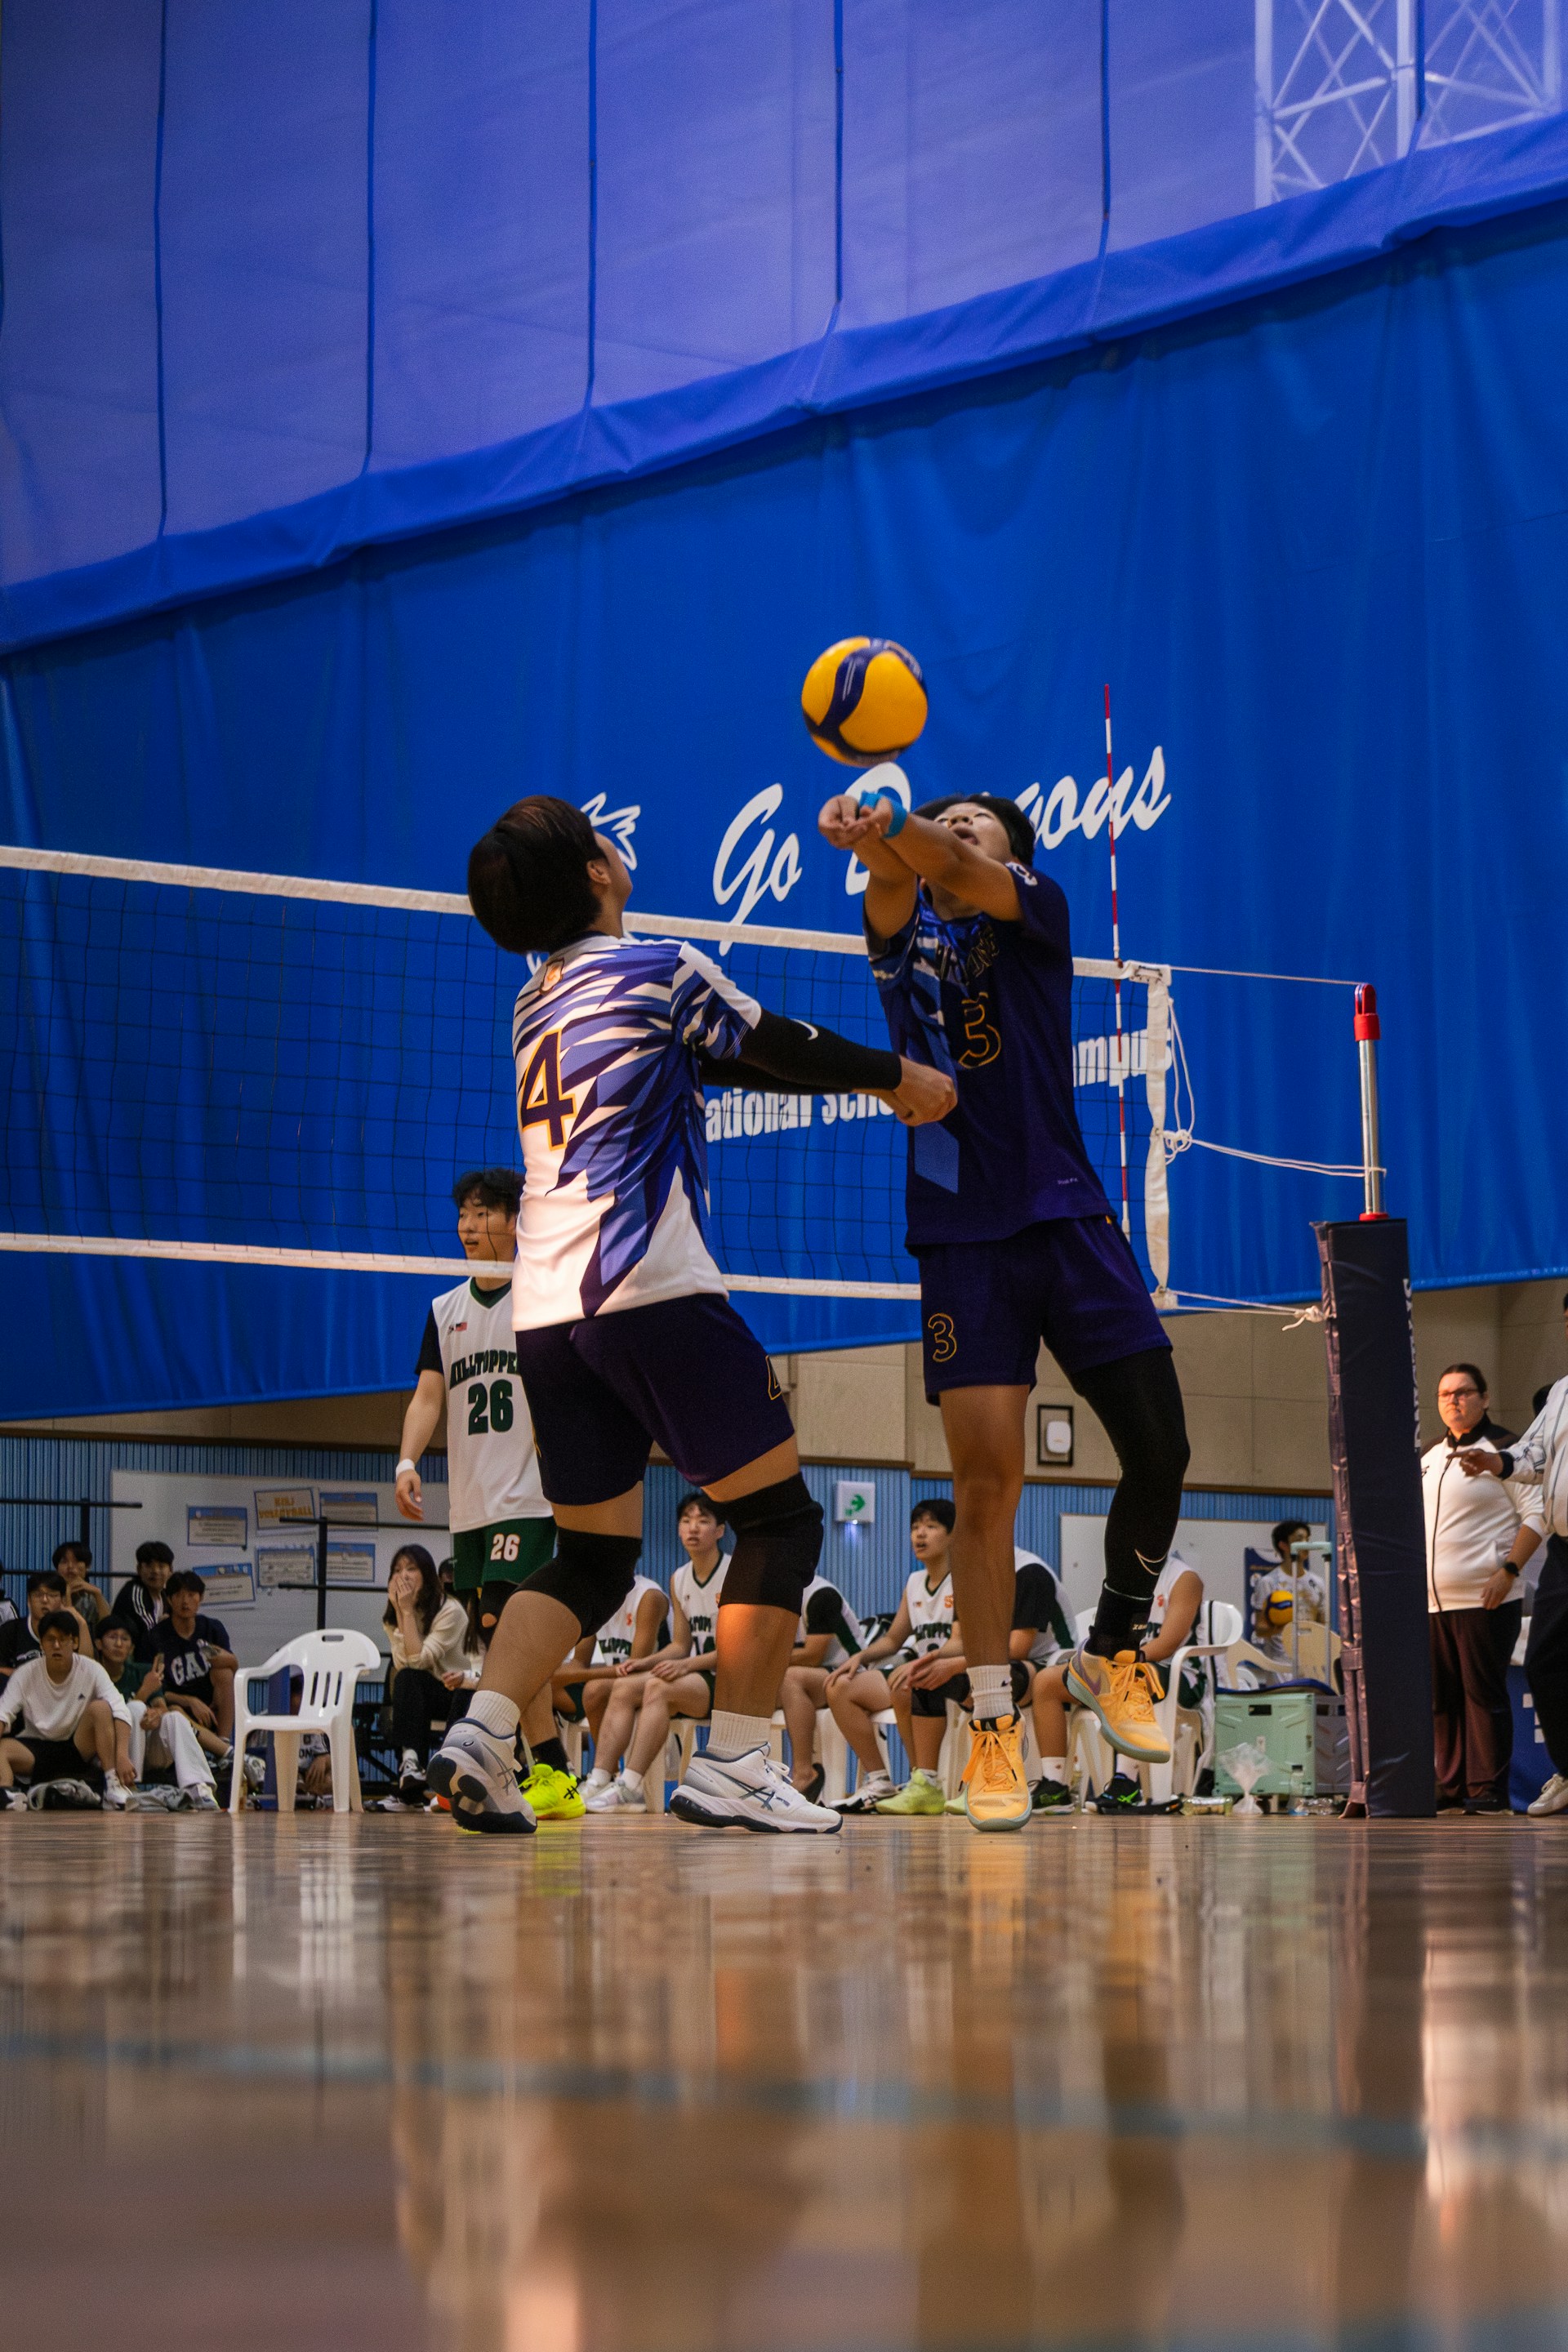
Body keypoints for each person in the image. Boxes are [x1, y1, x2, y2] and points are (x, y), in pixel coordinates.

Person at [428, 795, 952, 1835]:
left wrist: (851, 1085)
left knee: (589, 1557)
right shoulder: (657, 966)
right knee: (781, 1520)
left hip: (546, 1312)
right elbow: (772, 1040)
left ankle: (483, 1732)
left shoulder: (538, 1000)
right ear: (593, 875)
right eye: (600, 839)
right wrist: (901, 1079)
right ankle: (739, 1763)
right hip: (648, 1284)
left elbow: (727, 1059)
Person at [819, 783, 1190, 1829]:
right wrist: (872, 836)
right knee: (985, 1491)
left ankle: (1116, 1651)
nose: (958, 830)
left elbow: (951, 863)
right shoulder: (901, 929)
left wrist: (897, 823)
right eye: (945, 820)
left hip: (1067, 1212)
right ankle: (991, 1736)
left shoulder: (1034, 902)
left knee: (1160, 1449)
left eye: (975, 821)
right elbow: (899, 882)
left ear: (1009, 848)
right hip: (960, 1232)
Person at [1423, 1364, 1542, 1815]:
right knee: (1442, 1699)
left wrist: (1509, 1570)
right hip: (1434, 1601)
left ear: (1485, 1398)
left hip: (1486, 1597)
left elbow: (1536, 1516)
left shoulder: (1508, 1449)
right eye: (1445, 1394)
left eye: (1463, 1392)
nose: (1453, 1400)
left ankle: (1487, 1789)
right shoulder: (1430, 1456)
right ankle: (1450, 1787)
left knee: (1482, 1695)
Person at [1462, 1370, 1568, 1818]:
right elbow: (1536, 1454)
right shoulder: (1562, 1391)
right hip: (1566, 1548)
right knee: (1545, 1660)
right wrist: (1496, 1462)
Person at [584, 1495, 729, 1815]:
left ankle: (631, 1787)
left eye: (703, 1520)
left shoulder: (733, 1573)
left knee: (658, 1687)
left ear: (720, 1530)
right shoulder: (679, 1578)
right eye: (686, 1520)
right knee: (624, 1686)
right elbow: (680, 1643)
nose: (693, 1527)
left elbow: (737, 1650)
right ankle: (600, 1778)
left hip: (732, 1679)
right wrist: (645, 1662)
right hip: (698, 1673)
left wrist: (685, 1665)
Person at [1030, 1555, 1205, 1811]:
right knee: (1046, 1682)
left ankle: (1126, 1783)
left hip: (1177, 1672)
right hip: (1119, 1668)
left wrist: (1122, 1663)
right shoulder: (1123, 1574)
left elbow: (1168, 1643)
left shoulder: (1184, 1578)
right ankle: (1054, 1785)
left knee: (1133, 1677)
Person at [825, 1499, 960, 1814]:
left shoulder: (963, 1580)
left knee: (904, 1682)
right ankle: (879, 1780)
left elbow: (962, 1643)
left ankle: (921, 1781)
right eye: (915, 1527)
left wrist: (917, 1663)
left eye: (931, 1526)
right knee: (839, 1686)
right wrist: (859, 1657)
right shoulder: (914, 1582)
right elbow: (893, 1638)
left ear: (953, 1536)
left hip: (951, 1673)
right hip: (917, 1672)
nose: (920, 1535)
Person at [382, 1543, 482, 1809]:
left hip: (466, 1689)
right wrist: (402, 1612)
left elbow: (419, 1659)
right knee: (405, 1680)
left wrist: (405, 1612)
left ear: (426, 1575)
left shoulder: (449, 1610)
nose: (403, 1575)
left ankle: (445, 1776)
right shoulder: (393, 1615)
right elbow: (405, 1664)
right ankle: (411, 1767)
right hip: (435, 1689)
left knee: (414, 1679)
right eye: (397, 1569)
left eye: (411, 1568)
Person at [0, 1610, 134, 1806]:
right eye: (50, 1639)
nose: (56, 1646)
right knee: (2, 1749)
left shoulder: (92, 1669)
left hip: (77, 1746)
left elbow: (120, 1709)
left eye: (63, 1640)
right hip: (35, 1749)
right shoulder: (25, 1674)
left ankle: (113, 1785)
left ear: (75, 1643)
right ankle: (6, 1795)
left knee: (101, 1708)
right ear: (41, 1644)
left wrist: (122, 1756)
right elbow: (3, 1714)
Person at [95, 1617, 220, 1806]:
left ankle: (199, 1788)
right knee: (135, 1708)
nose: (119, 1644)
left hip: (146, 1749)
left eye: (125, 1639)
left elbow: (161, 1706)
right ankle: (128, 1787)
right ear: (99, 1644)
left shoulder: (143, 1671)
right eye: (113, 1637)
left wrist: (156, 1714)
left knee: (175, 1717)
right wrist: (144, 1692)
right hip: (110, 1753)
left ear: (132, 1648)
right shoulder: (95, 1674)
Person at [553, 1572, 668, 1777]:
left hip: (654, 1680)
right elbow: (578, 1662)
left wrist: (597, 1674)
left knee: (594, 1690)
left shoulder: (648, 1596)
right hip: (612, 1683)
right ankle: (556, 1772)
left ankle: (608, 1777)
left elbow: (635, 1667)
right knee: (540, 1689)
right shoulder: (595, 1600)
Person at [777, 1570, 866, 1800]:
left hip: (849, 1673)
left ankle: (804, 1773)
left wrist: (763, 1659)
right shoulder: (774, 1596)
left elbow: (812, 1655)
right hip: (815, 1677)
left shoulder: (821, 1594)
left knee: (790, 1678)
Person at [143, 1570, 238, 1740]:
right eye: (178, 1595)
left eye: (191, 1595)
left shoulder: (211, 1629)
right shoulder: (156, 1638)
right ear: (170, 1600)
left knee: (224, 1672)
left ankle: (224, 1741)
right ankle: (221, 1751)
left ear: (200, 1598)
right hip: (177, 1707)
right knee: (173, 1710)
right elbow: (156, 1689)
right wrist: (190, 1701)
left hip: (211, 1707)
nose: (185, 1601)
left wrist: (225, 1659)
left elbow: (232, 1667)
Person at [0, 1570, 96, 1682]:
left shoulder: (71, 1630)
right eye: (38, 1595)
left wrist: (82, 1623)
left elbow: (87, 1668)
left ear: (63, 1601)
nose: (44, 1600)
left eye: (52, 1595)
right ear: (29, 1601)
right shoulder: (11, 1630)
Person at [106, 1539, 173, 1649]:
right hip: (132, 1657)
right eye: (149, 1565)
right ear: (139, 1569)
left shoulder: (165, 1594)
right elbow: (150, 1632)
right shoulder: (135, 1592)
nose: (155, 1571)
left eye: (161, 1566)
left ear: (170, 1570)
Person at [51, 1540, 109, 1632]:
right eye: (64, 1562)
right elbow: (66, 1631)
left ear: (87, 1566)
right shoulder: (50, 1595)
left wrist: (98, 1594)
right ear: (57, 1568)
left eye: (77, 1561)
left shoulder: (92, 1595)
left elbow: (109, 1629)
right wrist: (67, 1594)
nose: (70, 1566)